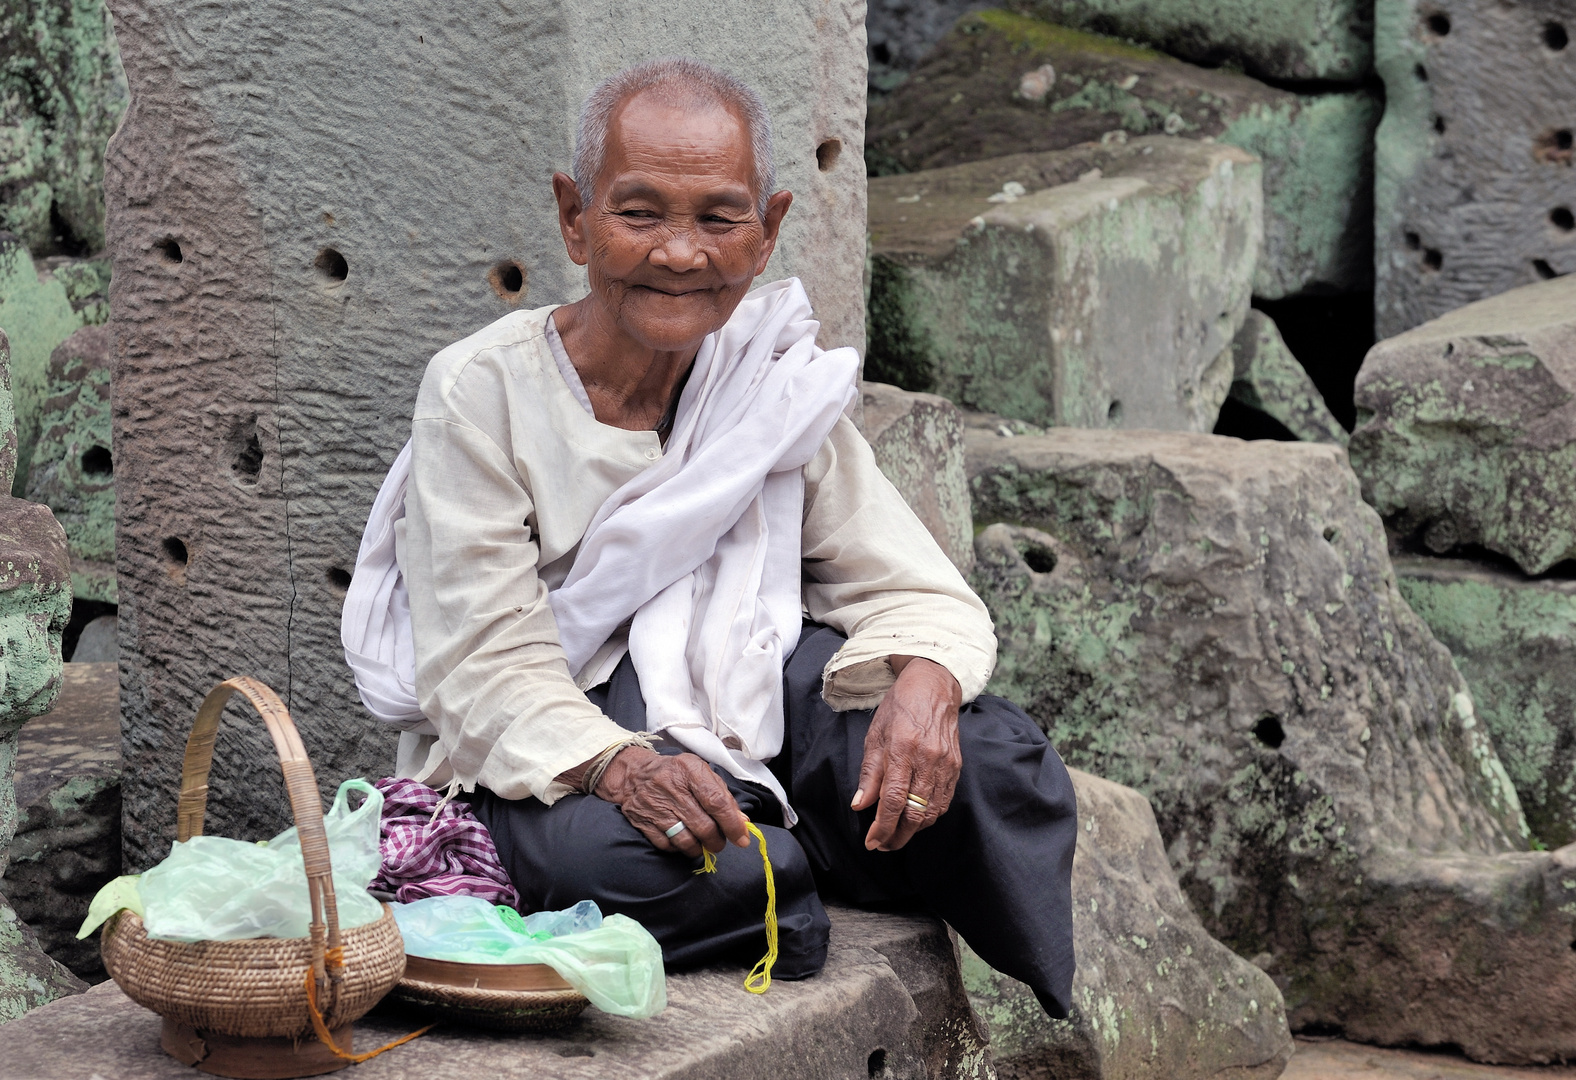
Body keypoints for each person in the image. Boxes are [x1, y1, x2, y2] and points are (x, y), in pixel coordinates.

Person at [388, 57, 1078, 1017]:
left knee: (994, 757)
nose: (681, 253)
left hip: (746, 699)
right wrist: (621, 768)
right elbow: (480, 662)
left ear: (770, 229)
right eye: (640, 214)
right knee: (623, 859)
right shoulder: (482, 392)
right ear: (573, 216)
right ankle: (788, 872)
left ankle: (791, 859)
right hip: (572, 725)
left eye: (719, 218)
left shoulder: (764, 379)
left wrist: (924, 684)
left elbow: (911, 587)